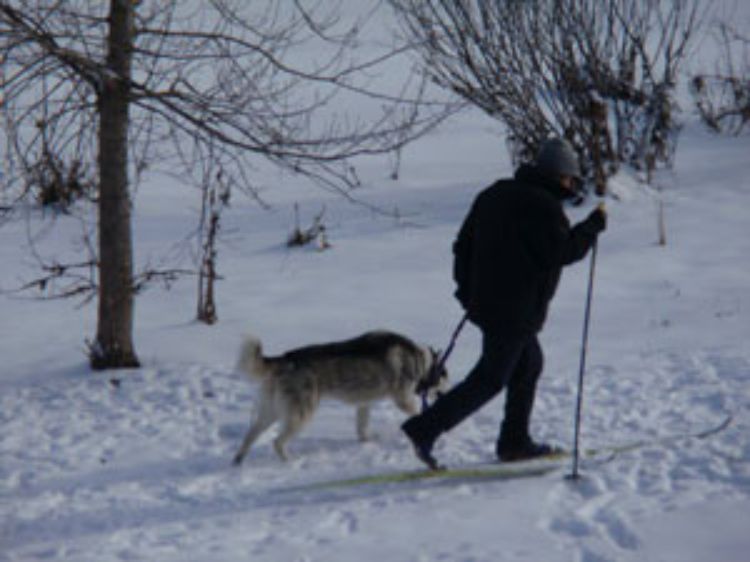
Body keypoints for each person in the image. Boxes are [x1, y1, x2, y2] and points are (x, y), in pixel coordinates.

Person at [402, 138, 607, 470]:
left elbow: (462, 246)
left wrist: (467, 292)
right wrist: (591, 228)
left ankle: (514, 442)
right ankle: (425, 429)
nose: (571, 184)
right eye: (570, 178)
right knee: (491, 377)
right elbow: (561, 252)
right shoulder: (543, 207)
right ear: (559, 176)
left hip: (487, 305)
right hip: (515, 312)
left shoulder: (493, 195)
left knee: (528, 365)